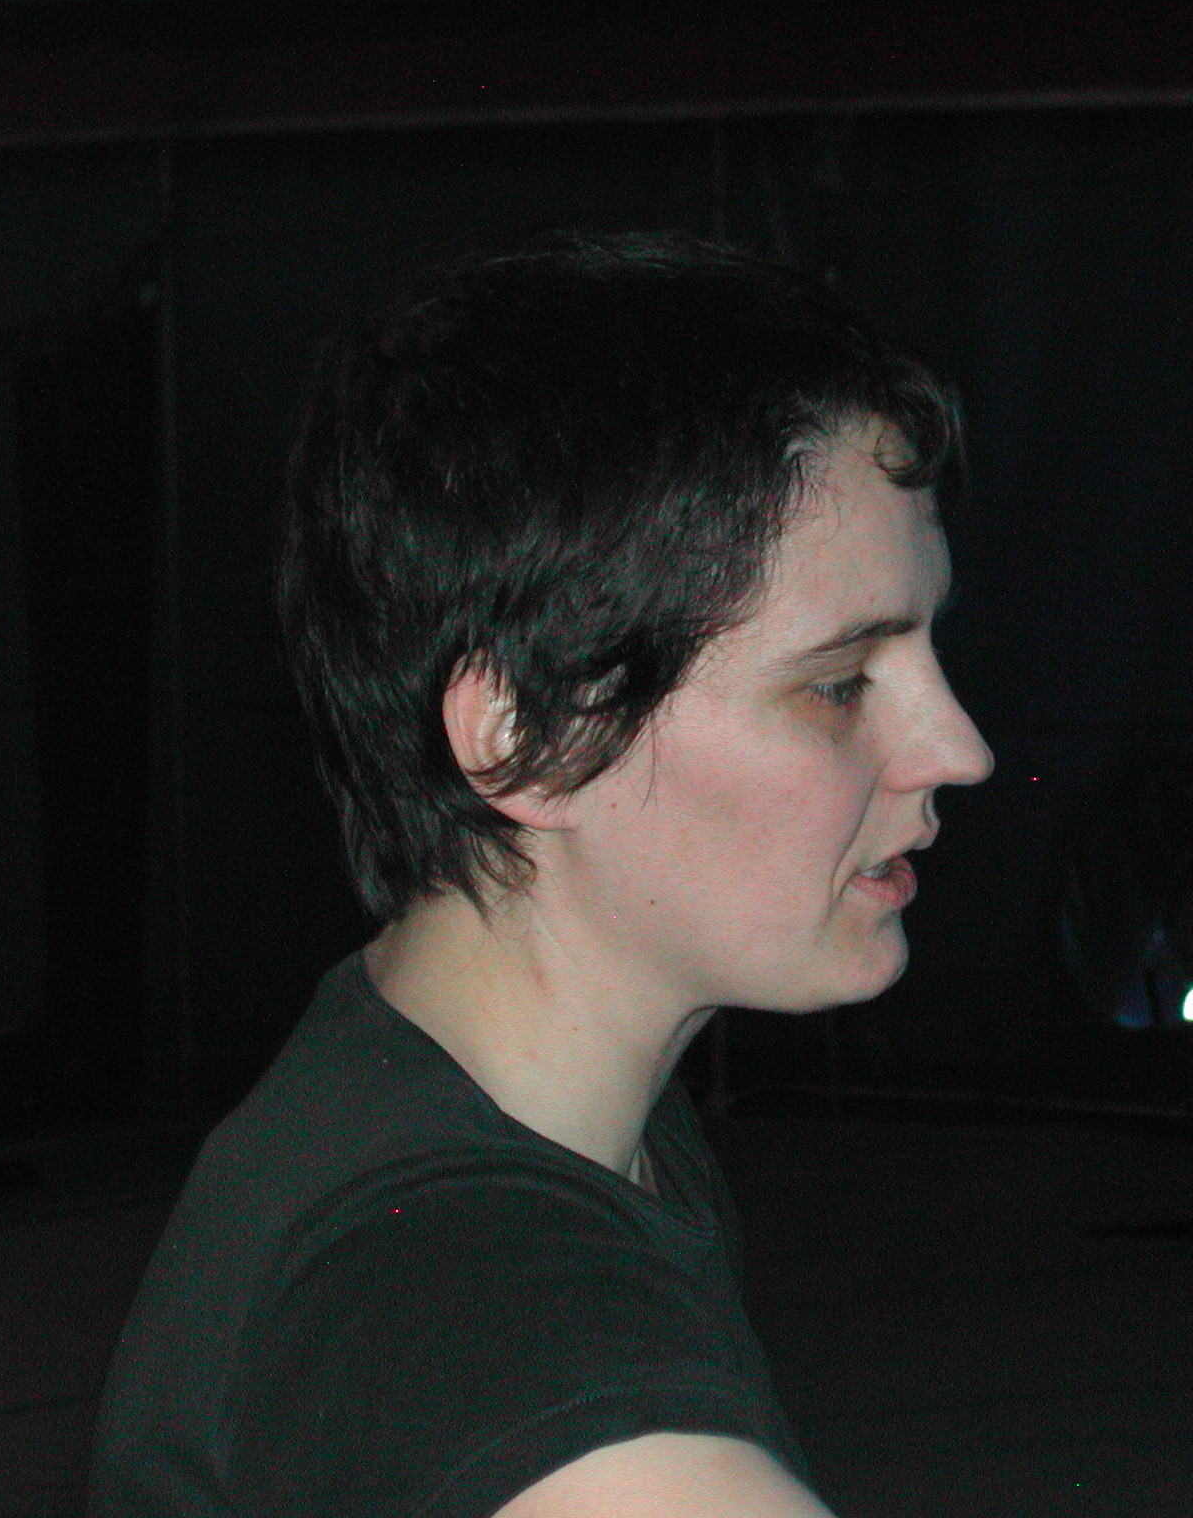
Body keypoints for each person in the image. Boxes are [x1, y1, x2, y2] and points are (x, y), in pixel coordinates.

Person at [86, 231, 992, 1517]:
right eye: (839, 684)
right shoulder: (465, 1305)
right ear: (532, 738)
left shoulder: (536, 1127)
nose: (956, 749)